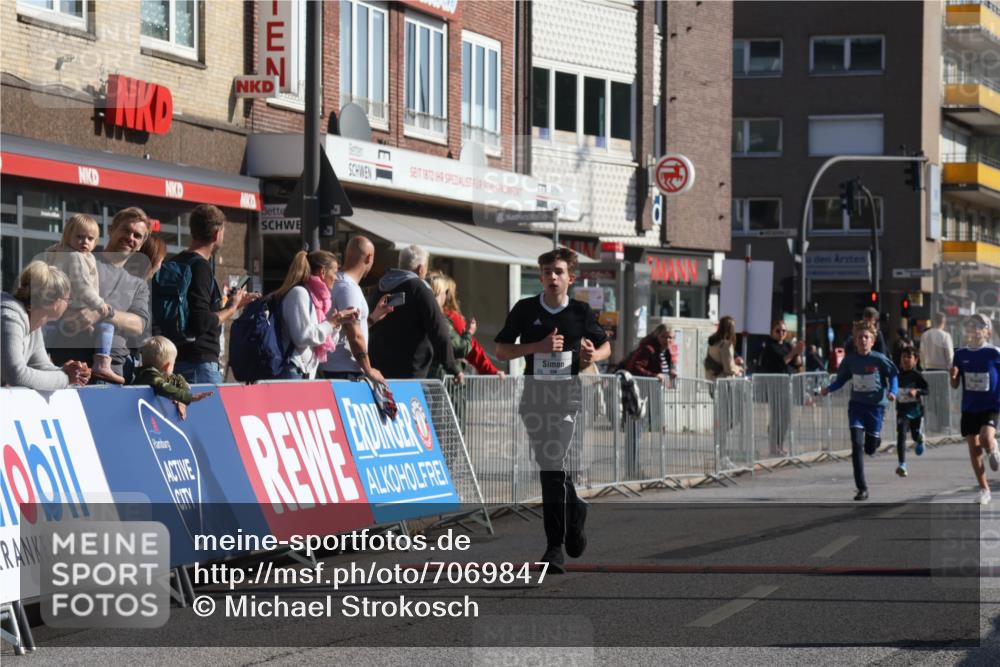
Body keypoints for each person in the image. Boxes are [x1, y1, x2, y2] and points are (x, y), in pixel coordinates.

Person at [495, 248, 611, 574]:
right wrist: (537, 347)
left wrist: (593, 356)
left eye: (558, 271)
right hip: (534, 398)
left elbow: (605, 345)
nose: (552, 277)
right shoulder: (525, 309)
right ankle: (575, 509)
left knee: (553, 462)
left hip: (567, 398)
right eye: (547, 272)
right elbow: (502, 349)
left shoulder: (580, 312)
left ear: (570, 278)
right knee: (549, 466)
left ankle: (553, 547)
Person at [48, 206, 152, 384]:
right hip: (73, 366)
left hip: (115, 373)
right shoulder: (80, 258)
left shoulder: (138, 284)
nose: (130, 237)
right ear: (111, 230)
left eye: (137, 236)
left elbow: (139, 324)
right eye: (126, 230)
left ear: (141, 244)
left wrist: (103, 313)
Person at [164, 204, 257, 384]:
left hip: (175, 357)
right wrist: (232, 308)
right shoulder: (201, 267)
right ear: (217, 234)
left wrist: (230, 304)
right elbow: (202, 322)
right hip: (199, 364)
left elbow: (192, 312)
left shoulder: (175, 262)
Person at [821, 319, 899, 501]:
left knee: (871, 449)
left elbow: (893, 374)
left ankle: (876, 439)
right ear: (855, 341)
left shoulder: (879, 359)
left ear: (872, 341)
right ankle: (862, 488)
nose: (863, 340)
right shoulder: (850, 361)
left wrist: (893, 391)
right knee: (856, 446)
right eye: (860, 337)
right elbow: (841, 380)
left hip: (876, 408)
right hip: (856, 406)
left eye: (866, 337)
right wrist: (829, 389)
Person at [44, 213, 124, 384]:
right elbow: (82, 286)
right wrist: (99, 304)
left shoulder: (70, 253)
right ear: (68, 236)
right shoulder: (75, 256)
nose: (84, 242)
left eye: (90, 238)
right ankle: (102, 362)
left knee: (50, 328)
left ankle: (44, 356)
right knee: (106, 325)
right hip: (74, 303)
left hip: (64, 304)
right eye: (79, 237)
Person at [368, 244, 463, 381]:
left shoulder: (380, 286)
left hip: (378, 368)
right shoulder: (419, 288)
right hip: (410, 372)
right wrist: (452, 367)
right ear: (421, 268)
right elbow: (438, 329)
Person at [2, 262, 91, 389]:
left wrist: (69, 372)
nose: (69, 304)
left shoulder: (33, 321)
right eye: (68, 299)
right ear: (55, 302)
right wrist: (66, 378)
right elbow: (16, 375)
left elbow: (40, 366)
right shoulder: (9, 318)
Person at [270, 250, 357, 380]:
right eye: (334, 272)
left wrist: (336, 324)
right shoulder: (299, 293)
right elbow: (302, 337)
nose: (337, 277)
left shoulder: (317, 299)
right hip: (293, 371)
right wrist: (331, 323)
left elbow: (325, 343)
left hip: (306, 373)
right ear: (323, 272)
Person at [318, 236, 394, 382]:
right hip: (344, 371)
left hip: (334, 368)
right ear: (369, 257)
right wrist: (368, 369)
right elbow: (355, 335)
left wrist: (372, 318)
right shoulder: (348, 288)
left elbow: (346, 327)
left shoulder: (338, 282)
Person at [950, 313, 1000, 505]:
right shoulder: (961, 354)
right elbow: (955, 384)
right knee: (974, 447)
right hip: (970, 407)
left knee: (986, 438)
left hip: (991, 404)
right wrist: (952, 376)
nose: (974, 329)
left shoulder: (994, 352)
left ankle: (994, 448)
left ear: (987, 331)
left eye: (979, 326)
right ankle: (984, 489)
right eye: (971, 326)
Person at [133, 336, 214, 420]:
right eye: (173, 364)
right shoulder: (148, 374)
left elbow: (179, 378)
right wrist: (189, 397)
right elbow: (161, 386)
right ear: (167, 366)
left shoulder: (164, 376)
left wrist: (182, 399)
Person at [756, 320, 804, 457]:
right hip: (775, 386)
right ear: (772, 332)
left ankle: (780, 445)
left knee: (786, 418)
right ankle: (773, 447)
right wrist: (793, 352)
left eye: (784, 331)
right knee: (776, 417)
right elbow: (781, 362)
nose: (781, 333)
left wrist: (798, 352)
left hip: (788, 385)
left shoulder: (788, 345)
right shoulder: (770, 347)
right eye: (778, 330)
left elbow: (797, 364)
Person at [441, 274, 503, 377]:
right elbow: (470, 349)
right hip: (444, 379)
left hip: (416, 375)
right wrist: (491, 371)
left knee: (410, 392)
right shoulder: (450, 317)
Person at [426, 272, 474, 381]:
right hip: (439, 380)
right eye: (445, 292)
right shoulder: (441, 321)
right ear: (440, 294)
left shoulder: (417, 316)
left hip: (421, 376)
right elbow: (460, 348)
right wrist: (469, 333)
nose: (446, 296)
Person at [895, 344, 929, 478]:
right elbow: (892, 387)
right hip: (902, 411)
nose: (906, 359)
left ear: (915, 360)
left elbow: (927, 390)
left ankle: (919, 439)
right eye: (904, 357)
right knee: (901, 435)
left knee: (914, 436)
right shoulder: (897, 375)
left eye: (909, 357)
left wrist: (917, 391)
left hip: (916, 412)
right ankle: (902, 464)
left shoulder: (917, 375)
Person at [704, 315, 744, 380]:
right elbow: (728, 369)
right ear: (731, 330)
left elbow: (719, 361)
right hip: (722, 382)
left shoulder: (714, 342)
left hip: (711, 379)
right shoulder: (725, 345)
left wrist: (733, 361)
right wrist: (739, 369)